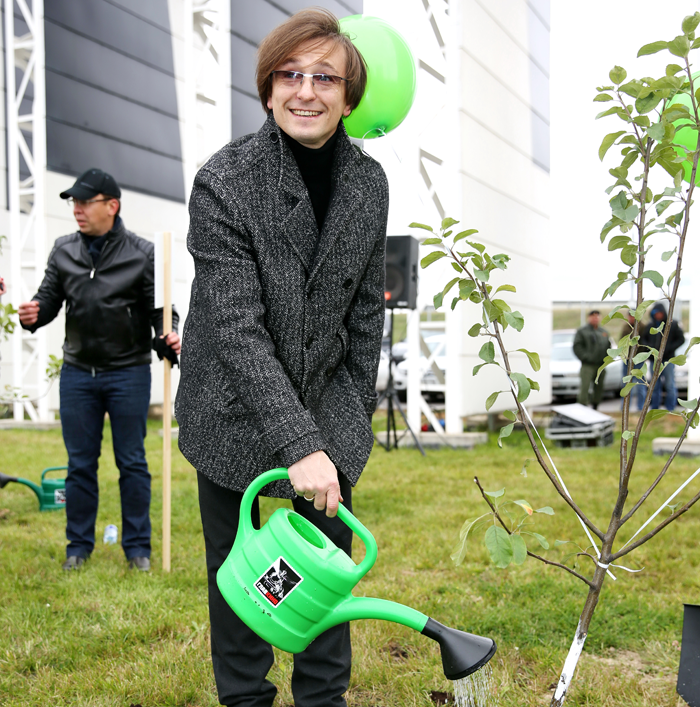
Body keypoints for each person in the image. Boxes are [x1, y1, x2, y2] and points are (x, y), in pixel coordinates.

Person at [175, 8, 388, 707]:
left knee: (324, 568)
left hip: (326, 400)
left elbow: (365, 312)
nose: (306, 91)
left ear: (348, 98)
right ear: (268, 90)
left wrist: (349, 422)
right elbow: (236, 329)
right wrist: (298, 444)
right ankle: (245, 698)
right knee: (240, 572)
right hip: (230, 402)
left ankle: (323, 699)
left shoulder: (369, 183)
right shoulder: (225, 180)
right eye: (290, 75)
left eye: (325, 78)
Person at [18, 168, 181, 572]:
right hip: (78, 374)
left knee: (132, 462)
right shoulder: (63, 250)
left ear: (112, 205)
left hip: (128, 373)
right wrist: (32, 315)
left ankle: (138, 549)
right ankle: (78, 547)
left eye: (84, 202)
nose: (76, 209)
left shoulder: (142, 253)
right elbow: (47, 301)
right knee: (79, 465)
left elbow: (161, 311)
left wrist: (169, 335)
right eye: (73, 202)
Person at [641, 302, 685, 411]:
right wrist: (650, 349)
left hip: (668, 360)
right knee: (654, 386)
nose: (658, 315)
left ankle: (670, 408)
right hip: (654, 360)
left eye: (659, 313)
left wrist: (668, 348)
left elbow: (681, 339)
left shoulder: (672, 325)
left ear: (663, 313)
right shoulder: (650, 326)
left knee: (670, 385)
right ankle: (654, 408)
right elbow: (643, 339)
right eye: (655, 313)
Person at [573, 309, 611, 409]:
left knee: (599, 387)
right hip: (588, 365)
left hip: (600, 365)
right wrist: (586, 357)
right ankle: (582, 407)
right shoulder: (582, 331)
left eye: (597, 316)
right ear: (588, 318)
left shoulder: (604, 332)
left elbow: (608, 347)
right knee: (585, 387)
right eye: (593, 316)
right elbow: (577, 347)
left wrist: (607, 359)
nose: (595, 318)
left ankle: (595, 406)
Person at [621, 310, 645, 412]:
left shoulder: (643, 327)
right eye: (630, 316)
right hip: (627, 360)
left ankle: (641, 408)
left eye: (633, 316)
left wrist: (640, 356)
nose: (631, 318)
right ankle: (624, 408)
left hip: (638, 361)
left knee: (640, 384)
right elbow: (621, 342)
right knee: (626, 384)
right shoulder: (626, 327)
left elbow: (644, 343)